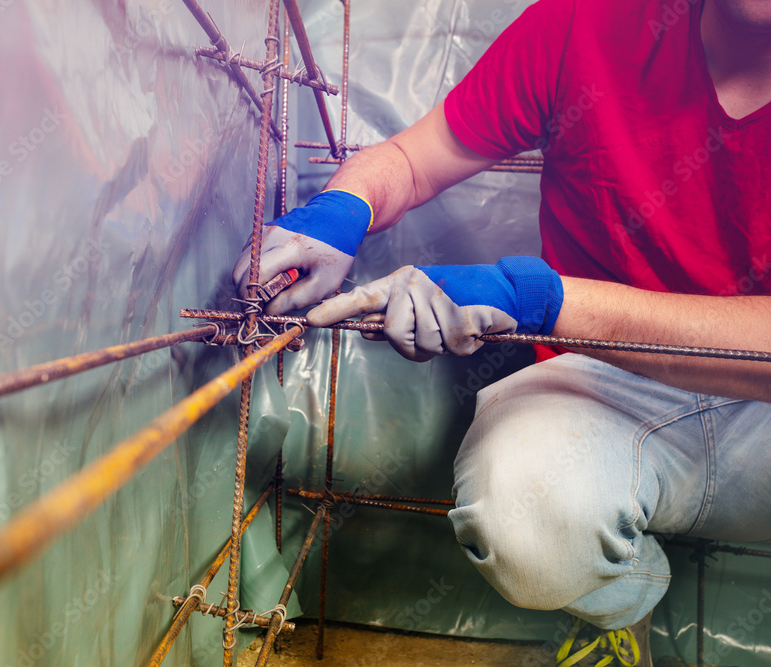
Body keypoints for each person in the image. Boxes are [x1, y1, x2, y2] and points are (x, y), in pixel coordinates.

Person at [234, 0, 771, 664]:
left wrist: (537, 299)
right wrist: (345, 207)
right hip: (606, 388)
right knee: (520, 507)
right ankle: (617, 612)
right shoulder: (589, 25)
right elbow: (415, 158)